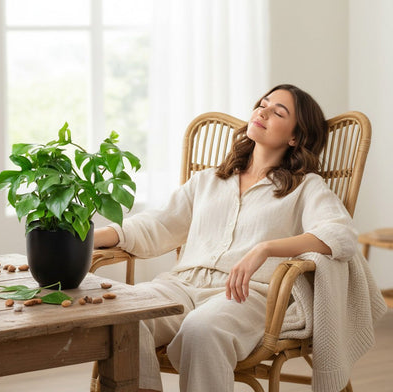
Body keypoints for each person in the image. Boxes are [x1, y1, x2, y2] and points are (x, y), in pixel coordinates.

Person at [94, 84, 361, 392]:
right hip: (181, 285)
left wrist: (266, 248)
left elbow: (340, 235)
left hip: (247, 295)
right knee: (127, 319)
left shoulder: (305, 187)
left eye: (278, 112)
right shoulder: (209, 180)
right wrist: (90, 237)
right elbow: (158, 224)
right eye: (263, 103)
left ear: (295, 137)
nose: (262, 110)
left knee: (202, 330)